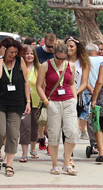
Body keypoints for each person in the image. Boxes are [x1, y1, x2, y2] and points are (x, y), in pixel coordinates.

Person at [0, 38, 31, 177]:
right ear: (3, 50)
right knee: (0, 131)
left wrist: (28, 101)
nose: (13, 55)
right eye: (10, 52)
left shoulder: (20, 61)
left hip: (16, 101)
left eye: (15, 52)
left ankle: (9, 164)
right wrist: (0, 57)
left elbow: (26, 82)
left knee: (13, 133)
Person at [36, 43, 79, 175]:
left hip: (68, 101)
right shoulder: (45, 66)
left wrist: (75, 99)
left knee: (72, 132)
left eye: (63, 58)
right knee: (54, 134)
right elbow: (38, 86)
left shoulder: (70, 65)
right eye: (58, 58)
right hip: (53, 101)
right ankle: (54, 164)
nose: (60, 61)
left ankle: (66, 162)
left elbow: (71, 83)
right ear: (54, 54)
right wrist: (46, 102)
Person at [80, 43, 103, 149]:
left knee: (92, 118)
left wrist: (91, 88)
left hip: (88, 92)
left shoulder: (83, 62)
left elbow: (83, 78)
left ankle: (94, 141)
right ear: (96, 50)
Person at [65, 36, 90, 140]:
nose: (69, 48)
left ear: (77, 47)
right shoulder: (62, 60)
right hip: (63, 95)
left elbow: (84, 82)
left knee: (73, 124)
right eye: (67, 46)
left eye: (71, 46)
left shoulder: (83, 62)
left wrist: (76, 92)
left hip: (77, 97)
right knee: (65, 124)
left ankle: (71, 148)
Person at [18, 44, 40, 162]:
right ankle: (24, 153)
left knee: (34, 127)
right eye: (27, 53)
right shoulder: (19, 68)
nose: (29, 56)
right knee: (25, 125)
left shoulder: (40, 68)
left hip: (37, 100)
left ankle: (33, 148)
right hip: (23, 101)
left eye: (31, 53)